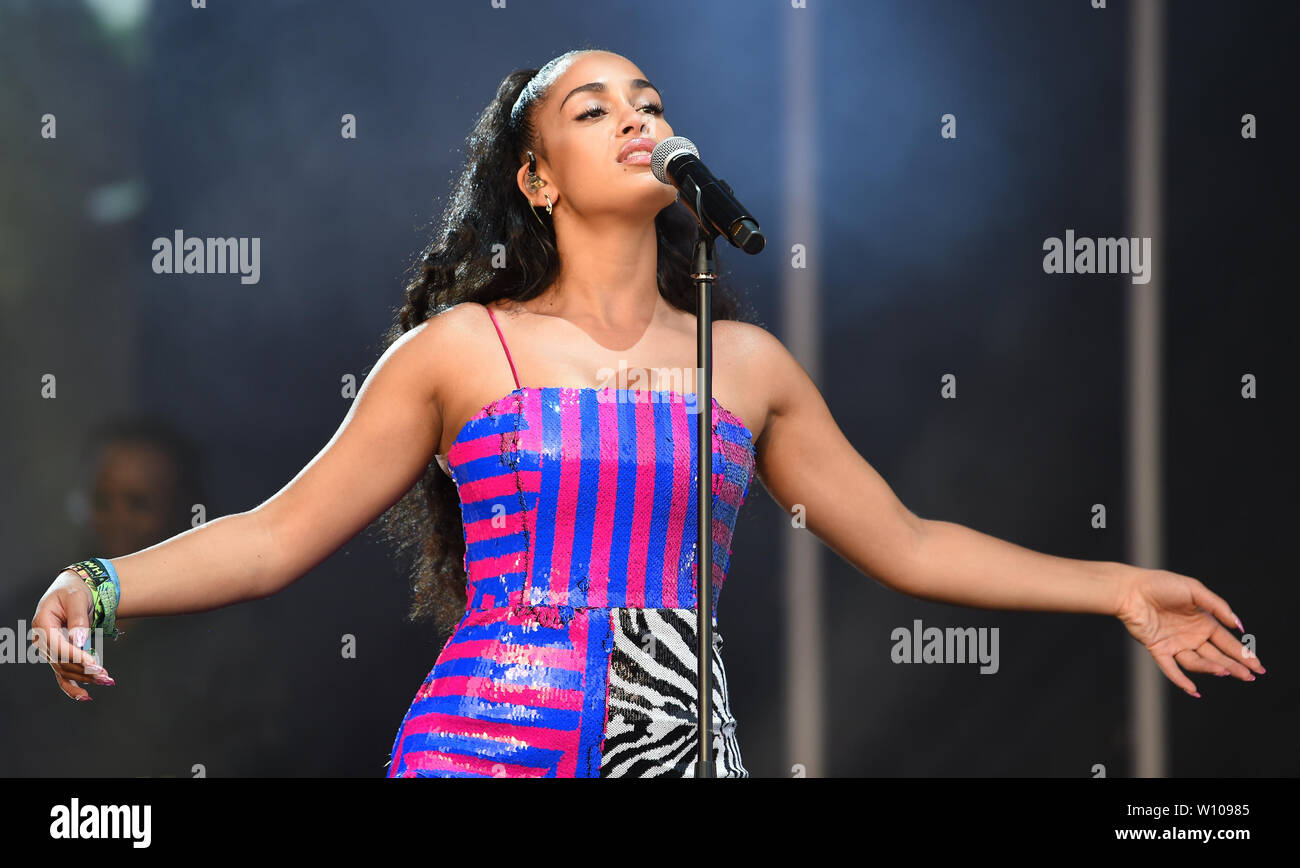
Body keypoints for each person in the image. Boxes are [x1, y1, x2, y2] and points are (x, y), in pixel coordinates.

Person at [30, 48, 1264, 778]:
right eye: (594, 108)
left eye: (650, 102)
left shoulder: (750, 363)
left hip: (681, 740)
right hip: (488, 740)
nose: (637, 117)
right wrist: (103, 578)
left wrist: (1114, 586)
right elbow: (269, 537)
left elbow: (908, 542)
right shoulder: (464, 350)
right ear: (535, 177)